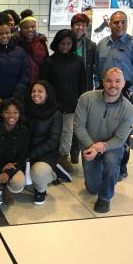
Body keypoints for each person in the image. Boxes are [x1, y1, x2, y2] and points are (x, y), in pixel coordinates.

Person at [95, 10, 133, 181]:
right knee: (102, 128)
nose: (119, 25)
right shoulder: (102, 44)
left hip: (124, 93)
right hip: (103, 93)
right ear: (109, 24)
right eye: (115, 22)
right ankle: (103, 161)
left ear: (127, 24)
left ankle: (121, 166)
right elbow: (97, 68)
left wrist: (132, 90)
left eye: (122, 22)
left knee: (123, 132)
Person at [74, 67, 133, 213]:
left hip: (113, 146)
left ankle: (105, 198)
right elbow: (79, 127)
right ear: (103, 82)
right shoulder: (86, 99)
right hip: (89, 144)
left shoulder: (129, 109)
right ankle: (103, 174)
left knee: (111, 162)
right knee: (92, 188)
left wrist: (98, 148)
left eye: (117, 81)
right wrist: (92, 146)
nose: (113, 85)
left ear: (123, 83)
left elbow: (120, 139)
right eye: (109, 81)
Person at [40, 29, 86, 174]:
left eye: (68, 44)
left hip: (71, 104)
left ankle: (63, 156)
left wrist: (81, 100)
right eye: (62, 43)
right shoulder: (49, 61)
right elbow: (44, 84)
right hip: (52, 105)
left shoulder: (78, 61)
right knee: (52, 132)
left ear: (72, 45)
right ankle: (50, 156)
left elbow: (83, 84)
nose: (65, 47)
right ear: (57, 44)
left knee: (67, 132)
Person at [25, 81, 67, 206]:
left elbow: (53, 141)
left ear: (47, 94)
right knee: (26, 185)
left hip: (46, 153)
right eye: (33, 91)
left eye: (40, 91)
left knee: (37, 174)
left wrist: (30, 154)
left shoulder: (55, 113)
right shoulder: (26, 108)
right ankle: (52, 173)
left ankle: (42, 190)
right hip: (28, 151)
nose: (35, 94)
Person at [0, 12, 29, 118]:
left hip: (16, 100)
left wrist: (14, 97)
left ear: (11, 32)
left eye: (7, 33)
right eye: (0, 34)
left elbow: (25, 76)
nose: (5, 36)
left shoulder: (20, 51)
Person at [70, 13, 97, 164]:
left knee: (81, 122)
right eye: (77, 24)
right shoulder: (66, 41)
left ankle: (75, 152)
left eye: (83, 25)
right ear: (72, 25)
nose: (80, 28)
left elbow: (94, 67)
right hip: (68, 87)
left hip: (84, 88)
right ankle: (65, 151)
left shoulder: (91, 46)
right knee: (68, 121)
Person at [15, 14, 49, 84]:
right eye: (25, 27)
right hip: (21, 84)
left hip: (38, 82)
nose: (30, 30)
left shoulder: (41, 42)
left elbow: (46, 62)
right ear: (20, 29)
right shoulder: (16, 43)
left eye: (33, 27)